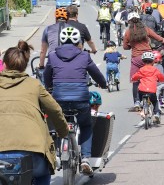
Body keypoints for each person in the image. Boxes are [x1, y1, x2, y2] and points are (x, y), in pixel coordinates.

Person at [0, 40, 68, 185]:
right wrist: (63, 132)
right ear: (25, 65)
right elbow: (55, 109)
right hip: (32, 150)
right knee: (42, 175)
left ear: (4, 64)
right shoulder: (34, 84)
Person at [43, 27, 107, 175]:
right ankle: (85, 158)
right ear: (78, 41)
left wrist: (49, 87)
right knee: (86, 125)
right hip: (80, 99)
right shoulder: (84, 55)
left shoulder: (52, 56)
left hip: (59, 99)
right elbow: (96, 73)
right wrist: (103, 84)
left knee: (60, 126)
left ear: (61, 40)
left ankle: (58, 154)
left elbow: (47, 74)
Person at [123, 11, 164, 110]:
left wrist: (131, 45)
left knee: (135, 80)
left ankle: (137, 102)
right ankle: (163, 98)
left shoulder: (128, 32)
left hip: (136, 58)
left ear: (129, 22)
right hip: (148, 57)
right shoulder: (146, 29)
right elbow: (158, 38)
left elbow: (125, 47)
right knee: (155, 76)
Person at [131, 51, 164, 124]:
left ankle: (137, 102)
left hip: (142, 90)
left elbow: (134, 77)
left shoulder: (141, 69)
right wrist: (160, 80)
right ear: (153, 61)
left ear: (143, 61)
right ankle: (157, 114)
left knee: (138, 92)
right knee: (155, 102)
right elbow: (162, 78)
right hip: (152, 91)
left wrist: (133, 78)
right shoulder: (155, 70)